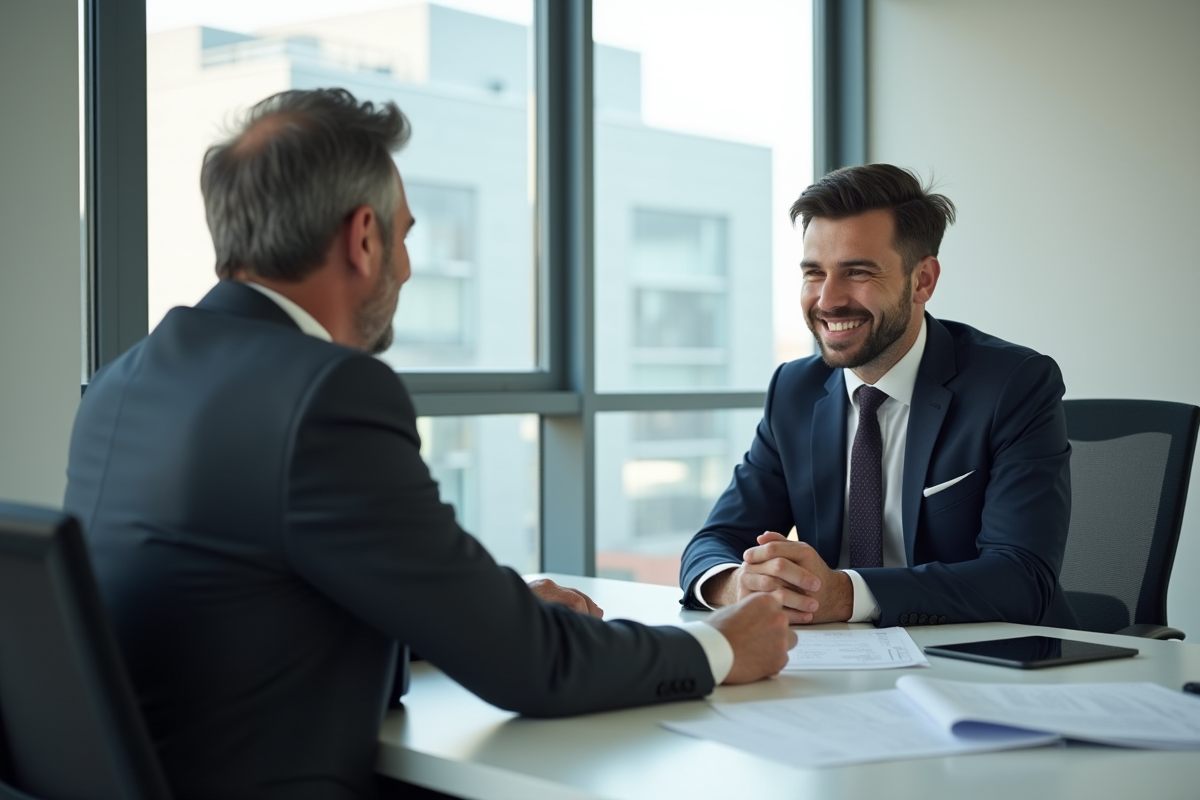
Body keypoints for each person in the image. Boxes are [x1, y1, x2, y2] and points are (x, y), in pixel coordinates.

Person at [63, 89, 796, 800]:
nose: (407, 267)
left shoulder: (127, 379)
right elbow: (528, 669)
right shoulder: (325, 392)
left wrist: (472, 611)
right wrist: (720, 647)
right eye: (406, 234)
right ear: (363, 238)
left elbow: (234, 603)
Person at [680, 164, 1077, 630]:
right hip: (835, 665)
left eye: (857, 272)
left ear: (922, 280)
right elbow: (716, 539)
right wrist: (736, 584)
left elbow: (1022, 578)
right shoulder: (793, 390)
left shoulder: (1013, 384)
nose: (828, 299)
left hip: (987, 664)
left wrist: (845, 595)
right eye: (814, 273)